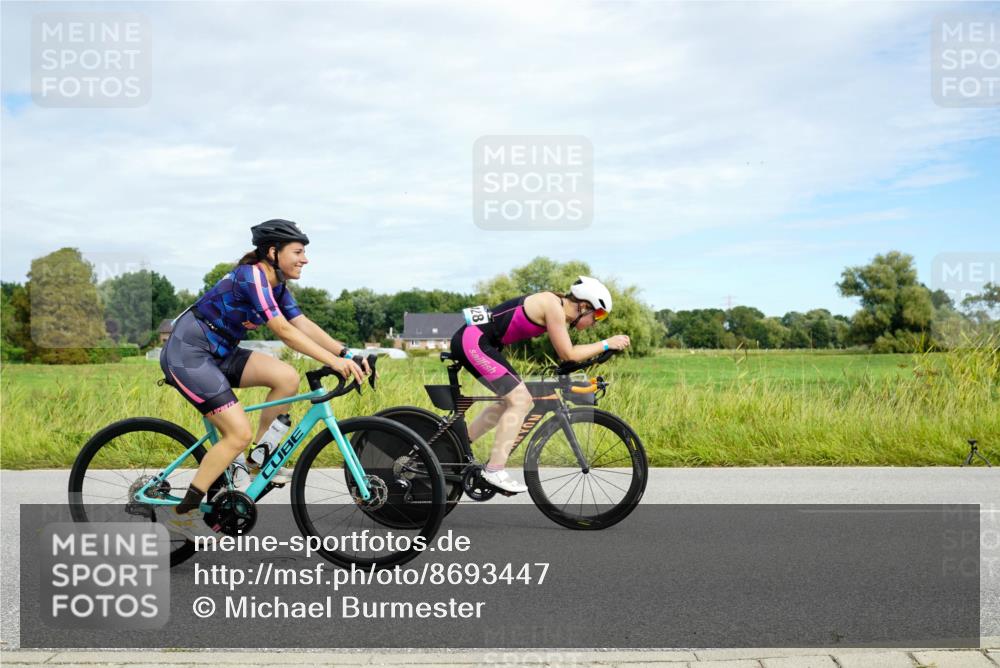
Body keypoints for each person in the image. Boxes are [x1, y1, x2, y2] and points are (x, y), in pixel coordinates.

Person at [158, 219, 366, 539]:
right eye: (298, 252)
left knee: (286, 376)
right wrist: (333, 363)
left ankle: (259, 461)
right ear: (273, 252)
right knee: (237, 434)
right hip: (189, 355)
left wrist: (346, 353)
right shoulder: (252, 275)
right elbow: (283, 331)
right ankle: (180, 512)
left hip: (221, 352)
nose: (305, 259)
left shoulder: (277, 284)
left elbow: (300, 323)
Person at [449, 276, 630, 493]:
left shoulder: (555, 306)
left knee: (510, 401)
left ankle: (456, 444)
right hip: (474, 341)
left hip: (480, 341)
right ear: (583, 306)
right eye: (597, 315)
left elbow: (566, 357)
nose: (596, 322)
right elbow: (568, 353)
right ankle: (494, 470)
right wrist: (607, 343)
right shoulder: (553, 305)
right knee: (521, 400)